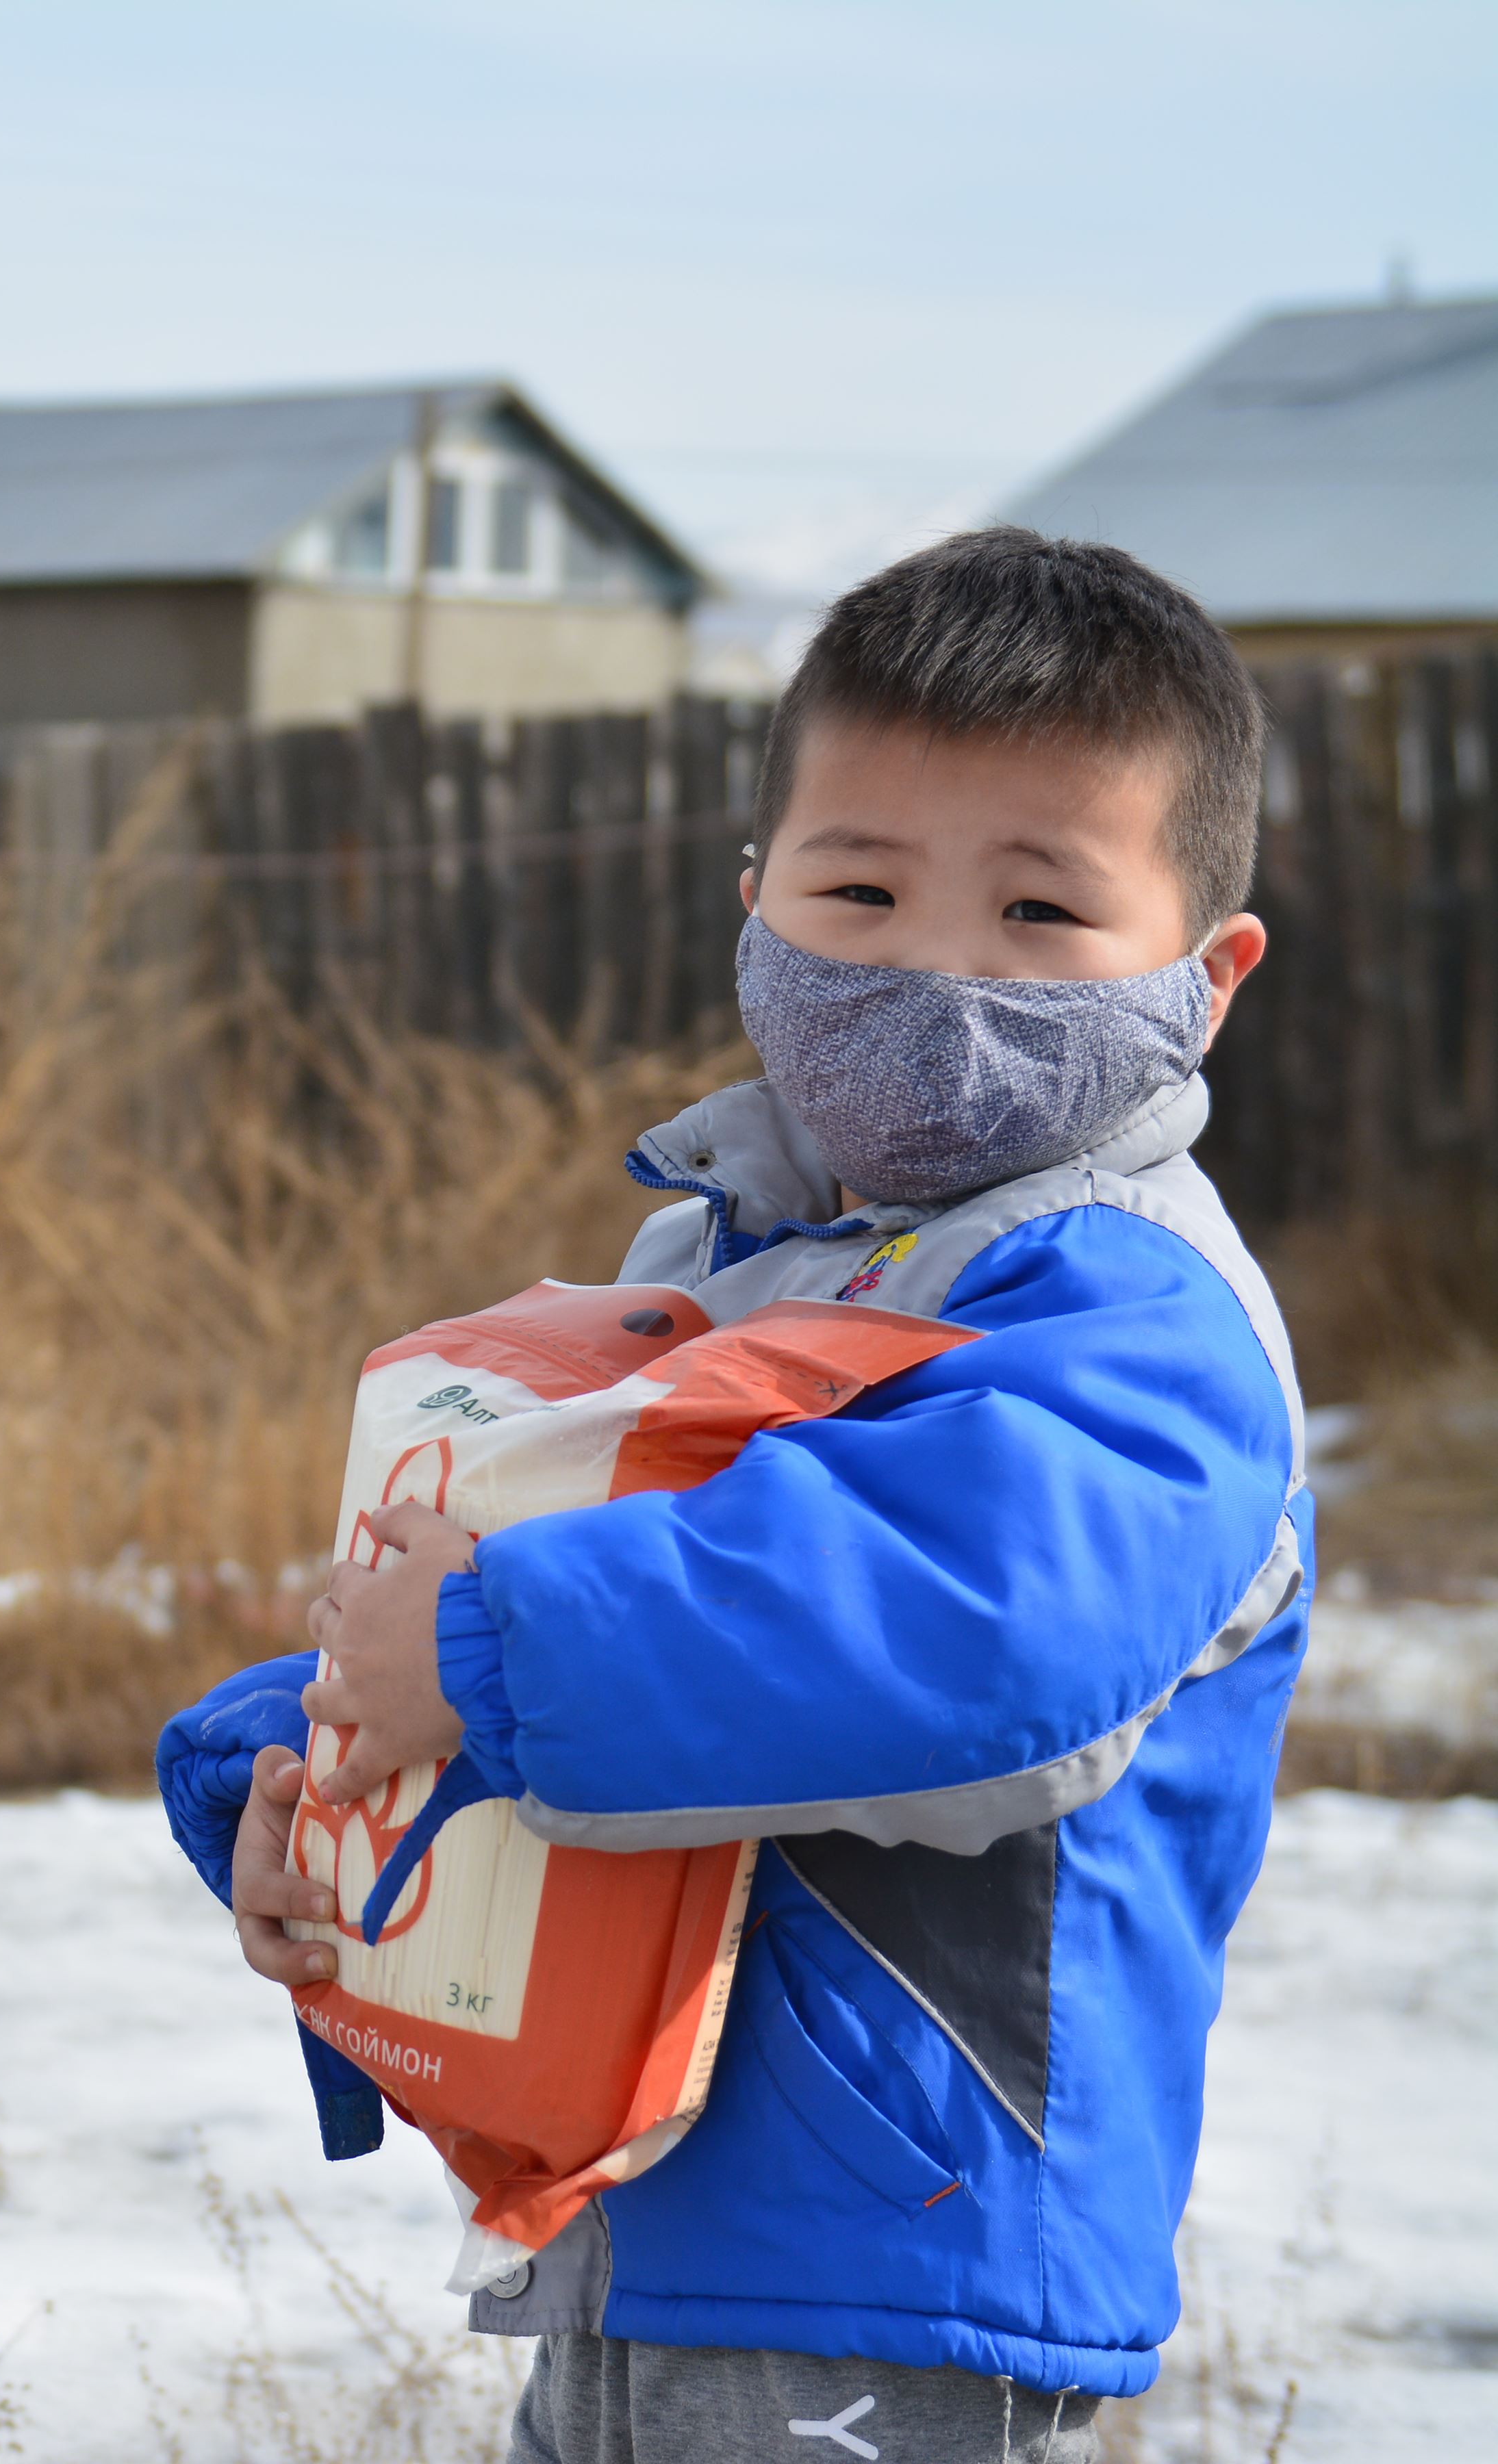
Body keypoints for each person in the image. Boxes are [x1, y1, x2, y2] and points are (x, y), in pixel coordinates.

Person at [160, 526, 1311, 2462]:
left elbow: (972, 1637)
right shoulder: (733, 1260)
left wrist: (481, 1648)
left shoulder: (1135, 1314)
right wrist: (302, 1760)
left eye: (1043, 914)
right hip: (654, 2190)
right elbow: (554, 1615)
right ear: (757, 900)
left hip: (904, 2232)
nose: (941, 966)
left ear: (1205, 979)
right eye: (863, 887)